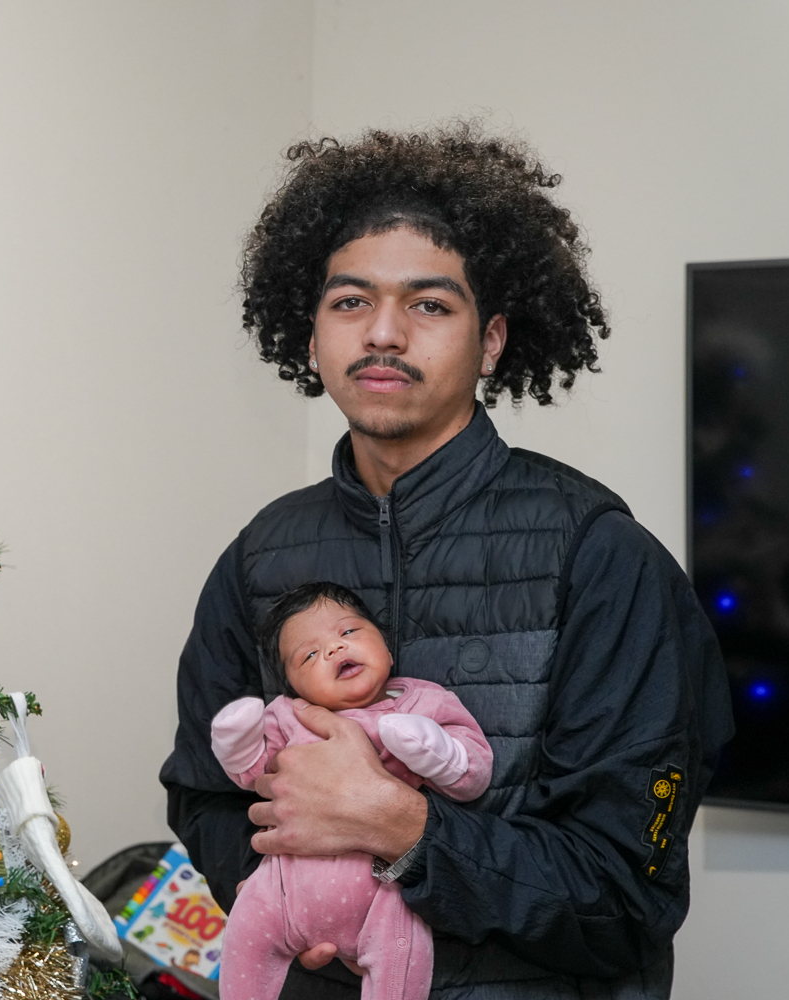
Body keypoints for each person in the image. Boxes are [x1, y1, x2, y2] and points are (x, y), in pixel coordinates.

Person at [158, 125, 734, 999]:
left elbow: (627, 895)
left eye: (429, 305)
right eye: (350, 302)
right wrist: (297, 904)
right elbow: (203, 794)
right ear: (310, 336)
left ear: (491, 341)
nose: (384, 333)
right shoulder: (259, 556)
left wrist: (402, 827)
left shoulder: (600, 556)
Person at [212, 581, 493, 1000]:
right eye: (309, 655)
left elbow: (473, 773)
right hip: (283, 887)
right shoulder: (289, 716)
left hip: (385, 893)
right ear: (294, 687)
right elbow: (252, 773)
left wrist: (437, 751)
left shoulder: (424, 702)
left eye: (348, 631)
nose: (333, 648)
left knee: (404, 954)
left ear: (387, 648)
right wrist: (237, 741)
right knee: (246, 932)